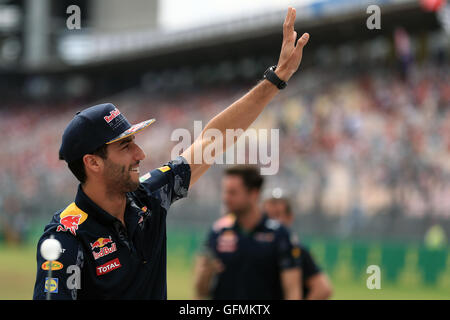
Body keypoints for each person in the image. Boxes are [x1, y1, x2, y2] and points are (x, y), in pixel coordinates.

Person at [32, 7, 310, 300]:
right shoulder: (65, 238)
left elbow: (211, 140)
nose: (140, 153)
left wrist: (276, 79)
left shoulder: (148, 199)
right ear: (92, 162)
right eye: (125, 146)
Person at [194, 165, 302, 300]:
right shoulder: (218, 231)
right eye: (225, 192)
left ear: (253, 194)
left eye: (233, 193)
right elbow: (201, 292)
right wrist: (204, 274)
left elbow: (292, 291)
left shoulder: (280, 235)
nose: (226, 198)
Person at [263, 196, 333, 300]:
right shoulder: (257, 249)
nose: (272, 222)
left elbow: (323, 289)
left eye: (277, 215)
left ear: (289, 217)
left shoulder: (295, 251)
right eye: (268, 216)